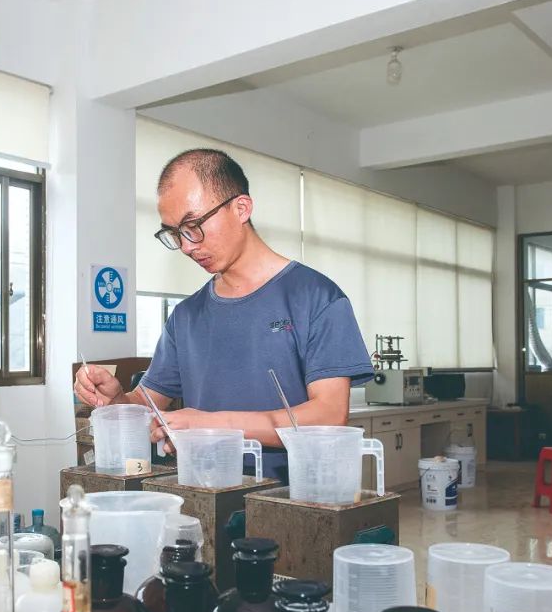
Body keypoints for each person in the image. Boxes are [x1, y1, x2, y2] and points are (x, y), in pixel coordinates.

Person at [74, 148, 372, 481]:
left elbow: (329, 415)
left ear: (241, 208)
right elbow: (147, 405)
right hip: (204, 494)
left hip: (296, 497)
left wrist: (209, 425)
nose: (187, 246)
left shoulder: (316, 298)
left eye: (193, 226)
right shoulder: (186, 317)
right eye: (174, 233)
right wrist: (116, 400)